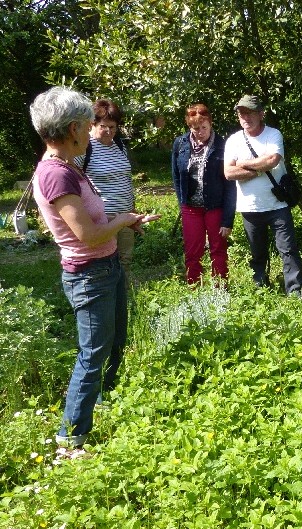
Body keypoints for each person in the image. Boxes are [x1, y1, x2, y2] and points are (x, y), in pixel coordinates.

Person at [29, 87, 156, 455]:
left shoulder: (68, 167)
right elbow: (85, 235)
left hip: (107, 265)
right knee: (91, 354)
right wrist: (123, 219)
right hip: (90, 273)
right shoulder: (56, 175)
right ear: (72, 129)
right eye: (87, 125)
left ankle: (102, 402)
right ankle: (70, 437)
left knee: (115, 340)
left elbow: (93, 223)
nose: (91, 132)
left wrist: (122, 224)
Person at [224, 95, 302, 294]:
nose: (245, 117)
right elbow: (228, 173)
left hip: (277, 205)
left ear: (261, 113)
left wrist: (242, 164)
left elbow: (272, 160)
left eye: (250, 112)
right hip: (249, 207)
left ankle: (296, 292)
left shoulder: (273, 134)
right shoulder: (233, 140)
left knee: (288, 251)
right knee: (257, 253)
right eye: (241, 113)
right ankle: (260, 289)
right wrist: (259, 166)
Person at [171, 103, 236, 284]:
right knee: (193, 251)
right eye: (195, 128)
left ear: (211, 123)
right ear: (189, 126)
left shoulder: (222, 145)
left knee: (218, 248)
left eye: (204, 127)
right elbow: (176, 177)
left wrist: (227, 219)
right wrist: (182, 203)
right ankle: (194, 289)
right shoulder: (180, 144)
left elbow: (230, 186)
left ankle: (220, 289)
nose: (200, 132)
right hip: (191, 208)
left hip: (215, 206)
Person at [74, 98, 136, 283]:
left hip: (126, 214)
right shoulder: (86, 148)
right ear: (92, 124)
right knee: (105, 261)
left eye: (113, 127)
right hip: (103, 218)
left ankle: (123, 300)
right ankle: (106, 297)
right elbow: (74, 179)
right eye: (103, 126)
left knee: (125, 259)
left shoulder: (120, 145)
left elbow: (125, 178)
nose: (109, 131)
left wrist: (132, 208)